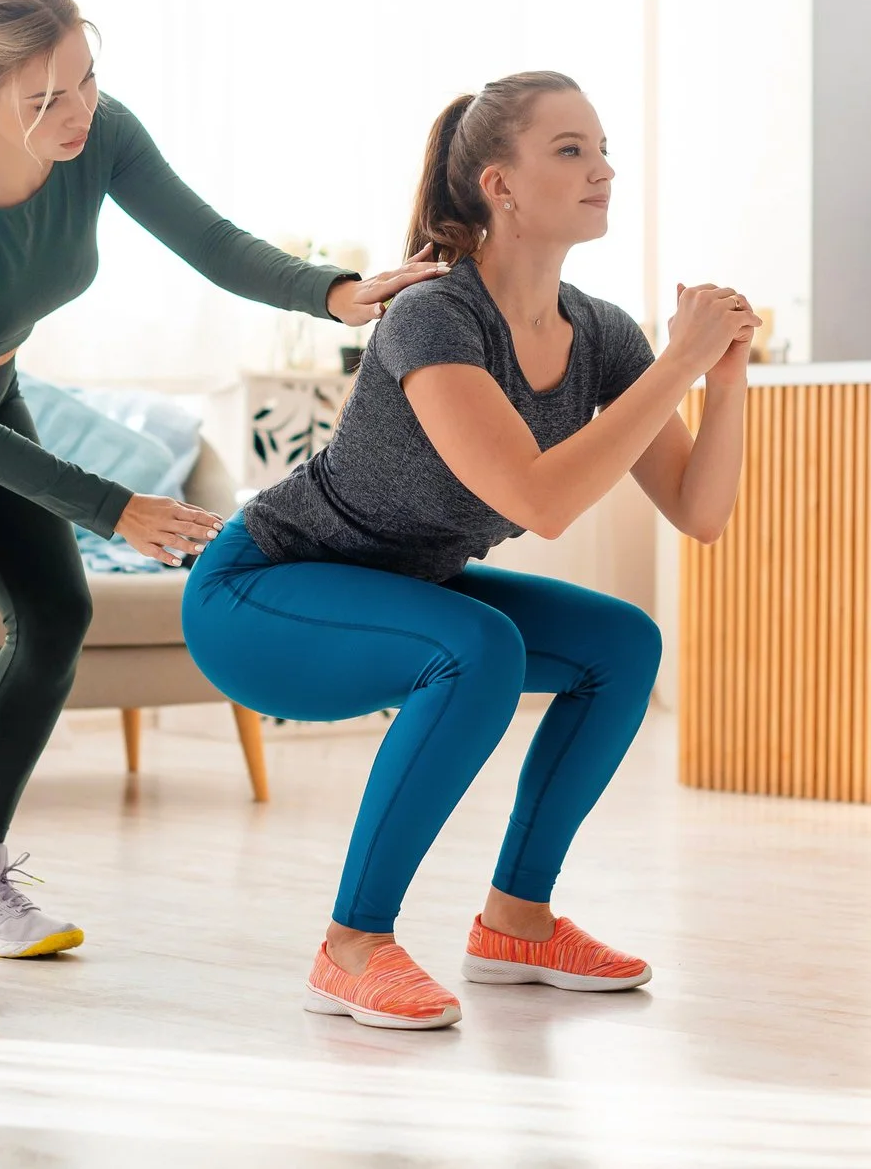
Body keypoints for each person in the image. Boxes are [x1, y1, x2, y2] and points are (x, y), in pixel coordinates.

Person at [0, 0, 446, 1010]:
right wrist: (113, 506)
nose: (78, 111)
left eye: (86, 78)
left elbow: (209, 241)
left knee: (55, 609)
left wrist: (337, 293)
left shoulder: (98, 136)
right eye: (47, 97)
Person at [181, 72, 759, 1030]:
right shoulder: (434, 318)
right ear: (499, 183)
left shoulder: (600, 334)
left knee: (623, 645)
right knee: (479, 643)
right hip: (259, 597)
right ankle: (352, 946)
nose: (604, 170)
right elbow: (541, 501)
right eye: (571, 150)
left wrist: (723, 378)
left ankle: (517, 923)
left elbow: (701, 513)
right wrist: (676, 366)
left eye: (604, 148)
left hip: (403, 595)